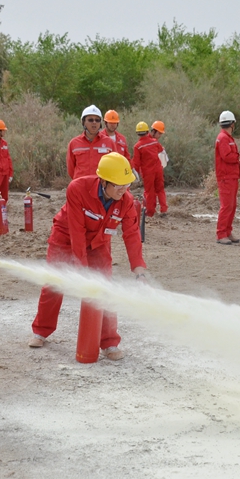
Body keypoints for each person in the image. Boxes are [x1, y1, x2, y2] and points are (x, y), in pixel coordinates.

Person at [28, 152, 147, 361]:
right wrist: (81, 268)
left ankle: (109, 342)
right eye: (118, 185)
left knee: (104, 287)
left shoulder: (126, 201)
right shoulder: (78, 189)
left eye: (126, 184)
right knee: (54, 284)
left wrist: (138, 270)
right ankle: (41, 331)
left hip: (99, 243)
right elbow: (76, 230)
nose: (123, 189)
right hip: (65, 237)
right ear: (104, 181)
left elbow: (132, 234)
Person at [215, 110, 240, 244]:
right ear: (233, 124)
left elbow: (227, 157)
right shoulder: (224, 138)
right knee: (227, 206)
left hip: (231, 175)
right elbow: (227, 156)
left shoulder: (226, 138)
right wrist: (239, 156)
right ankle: (221, 233)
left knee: (231, 205)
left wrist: (237, 161)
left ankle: (227, 232)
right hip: (226, 177)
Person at [66, 105, 116, 180]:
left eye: (97, 120)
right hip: (81, 186)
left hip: (101, 187)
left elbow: (114, 165)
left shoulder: (109, 143)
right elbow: (71, 169)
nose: (94, 123)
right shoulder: (74, 143)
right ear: (83, 122)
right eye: (90, 120)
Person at [131, 120, 168, 217]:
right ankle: (164, 210)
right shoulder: (154, 142)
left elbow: (136, 163)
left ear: (137, 133)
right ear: (148, 131)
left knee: (149, 191)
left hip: (148, 173)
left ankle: (150, 212)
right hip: (158, 170)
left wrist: (134, 173)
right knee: (160, 189)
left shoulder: (137, 146)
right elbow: (161, 150)